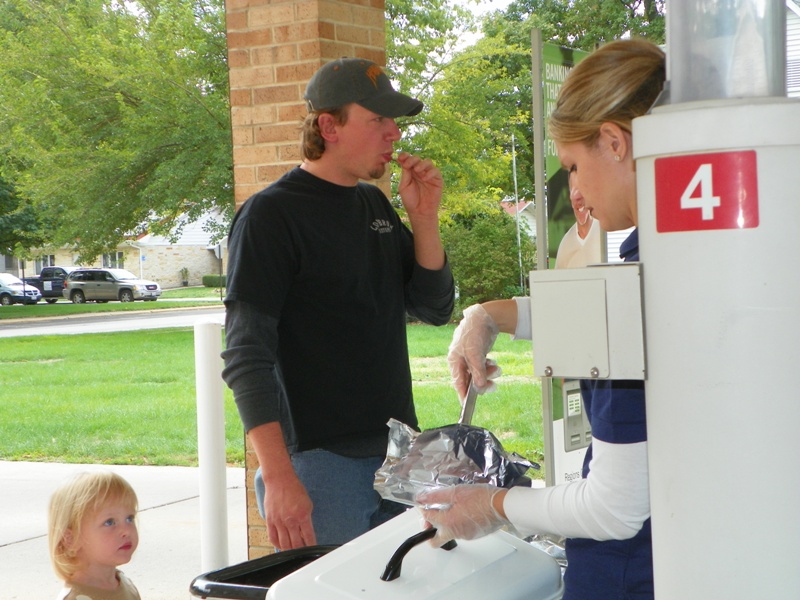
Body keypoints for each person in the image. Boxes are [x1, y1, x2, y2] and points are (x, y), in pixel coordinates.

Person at [419, 39, 665, 600]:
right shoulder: (676, 256)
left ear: (615, 142)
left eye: (574, 166)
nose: (574, 188)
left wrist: (491, 504)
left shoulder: (638, 283)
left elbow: (615, 507)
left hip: (633, 574)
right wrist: (487, 316)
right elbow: (595, 313)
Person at [222, 57, 455, 551]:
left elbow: (433, 308)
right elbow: (245, 355)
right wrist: (278, 476)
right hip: (319, 464)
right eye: (377, 119)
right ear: (329, 127)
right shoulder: (271, 216)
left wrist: (425, 219)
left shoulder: (373, 205)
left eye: (394, 120)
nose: (394, 132)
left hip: (396, 453)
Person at [48, 471, 141, 600]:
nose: (126, 531)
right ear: (71, 539)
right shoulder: (76, 597)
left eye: (129, 518)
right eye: (109, 522)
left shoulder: (125, 584)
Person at [554, 187, 602, 269]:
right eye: (574, 193)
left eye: (583, 193)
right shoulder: (566, 243)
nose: (579, 200)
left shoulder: (603, 234)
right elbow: (558, 276)